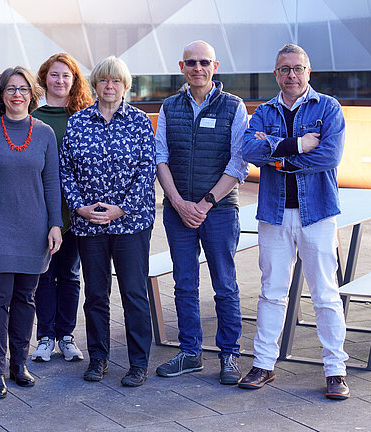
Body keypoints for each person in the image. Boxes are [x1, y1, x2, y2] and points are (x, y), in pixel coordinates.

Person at [238, 44, 350, 400]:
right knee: (272, 292)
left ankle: (336, 370)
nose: (291, 75)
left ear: (308, 72)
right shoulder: (264, 111)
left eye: (298, 68)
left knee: (326, 294)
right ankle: (263, 364)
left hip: (316, 214)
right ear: (276, 74)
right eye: (284, 69)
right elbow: (248, 150)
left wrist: (279, 159)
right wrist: (299, 144)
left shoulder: (328, 107)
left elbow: (329, 157)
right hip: (273, 213)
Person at [0, 66, 62, 399]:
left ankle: (19, 363)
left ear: (31, 94)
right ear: (1, 95)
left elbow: (51, 183)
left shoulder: (45, 133)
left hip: (33, 230)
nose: (17, 95)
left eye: (23, 89)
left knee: (26, 299)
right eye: (10, 89)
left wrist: (55, 224)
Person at [153, 40, 249, 385]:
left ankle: (229, 355)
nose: (197, 68)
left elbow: (239, 162)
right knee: (184, 283)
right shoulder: (169, 106)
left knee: (225, 284)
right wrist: (178, 202)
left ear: (215, 66)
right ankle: (190, 353)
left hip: (220, 211)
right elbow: (159, 157)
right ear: (181, 67)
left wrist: (205, 203)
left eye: (204, 62)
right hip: (178, 211)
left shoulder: (234, 107)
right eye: (191, 62)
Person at [60, 56, 156, 387]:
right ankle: (98, 358)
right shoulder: (77, 123)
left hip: (131, 224)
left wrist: (121, 209)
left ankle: (138, 362)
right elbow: (66, 169)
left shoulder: (141, 122)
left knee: (133, 292)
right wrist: (79, 208)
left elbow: (147, 170)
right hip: (89, 224)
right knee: (96, 293)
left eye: (116, 81)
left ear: (125, 86)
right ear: (95, 84)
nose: (110, 86)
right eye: (104, 81)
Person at [30, 53, 93, 363]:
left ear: (74, 80)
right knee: (44, 273)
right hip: (41, 208)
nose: (59, 80)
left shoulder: (83, 117)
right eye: (54, 75)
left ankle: (66, 336)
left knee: (69, 273)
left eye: (65, 75)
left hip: (76, 210)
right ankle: (44, 337)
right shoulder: (32, 117)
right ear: (44, 79)